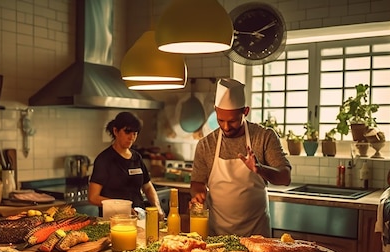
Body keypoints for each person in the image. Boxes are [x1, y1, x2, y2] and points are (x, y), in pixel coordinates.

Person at [190, 78, 292, 237]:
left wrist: (260, 169)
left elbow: (285, 178)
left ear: (245, 111)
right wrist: (198, 194)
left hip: (256, 234)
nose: (225, 127)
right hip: (217, 234)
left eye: (232, 121)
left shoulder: (264, 137)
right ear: (215, 109)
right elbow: (197, 182)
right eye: (220, 120)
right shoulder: (206, 145)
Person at [89, 111, 165, 218]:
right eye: (127, 132)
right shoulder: (104, 159)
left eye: (135, 133)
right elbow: (93, 197)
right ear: (116, 131)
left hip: (139, 218)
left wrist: (158, 208)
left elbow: (147, 186)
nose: (131, 137)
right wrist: (122, 207)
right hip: (114, 221)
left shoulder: (137, 157)